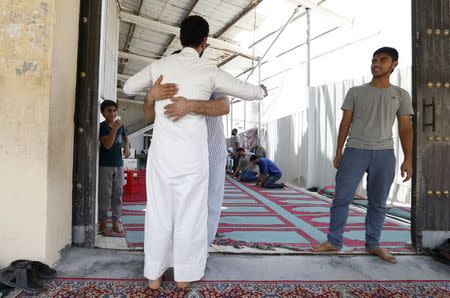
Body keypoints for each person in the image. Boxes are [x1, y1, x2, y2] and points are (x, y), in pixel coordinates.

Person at [123, 15, 267, 289]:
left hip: (162, 157)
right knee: (191, 214)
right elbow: (247, 91)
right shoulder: (208, 70)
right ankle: (183, 279)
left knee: (158, 212)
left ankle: (153, 276)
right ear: (204, 42)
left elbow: (129, 86)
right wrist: (262, 90)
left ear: (179, 38)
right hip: (192, 158)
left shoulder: (159, 66)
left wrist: (153, 92)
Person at [312, 47, 414, 264]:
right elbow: (345, 123)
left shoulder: (401, 94)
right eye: (374, 60)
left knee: (378, 203)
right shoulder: (355, 92)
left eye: (383, 60)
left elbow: (405, 128)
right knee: (341, 198)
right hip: (355, 150)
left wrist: (408, 158)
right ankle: (333, 242)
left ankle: (373, 244)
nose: (376, 64)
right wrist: (339, 150)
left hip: (385, 154)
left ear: (394, 64)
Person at [98, 100, 130, 236]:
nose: (112, 113)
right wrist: (114, 129)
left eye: (114, 110)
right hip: (105, 165)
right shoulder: (102, 127)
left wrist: (127, 148)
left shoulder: (120, 126)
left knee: (118, 195)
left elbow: (125, 138)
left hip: (119, 164)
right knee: (105, 195)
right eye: (109, 110)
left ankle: (116, 221)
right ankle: (103, 224)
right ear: (103, 112)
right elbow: (107, 145)